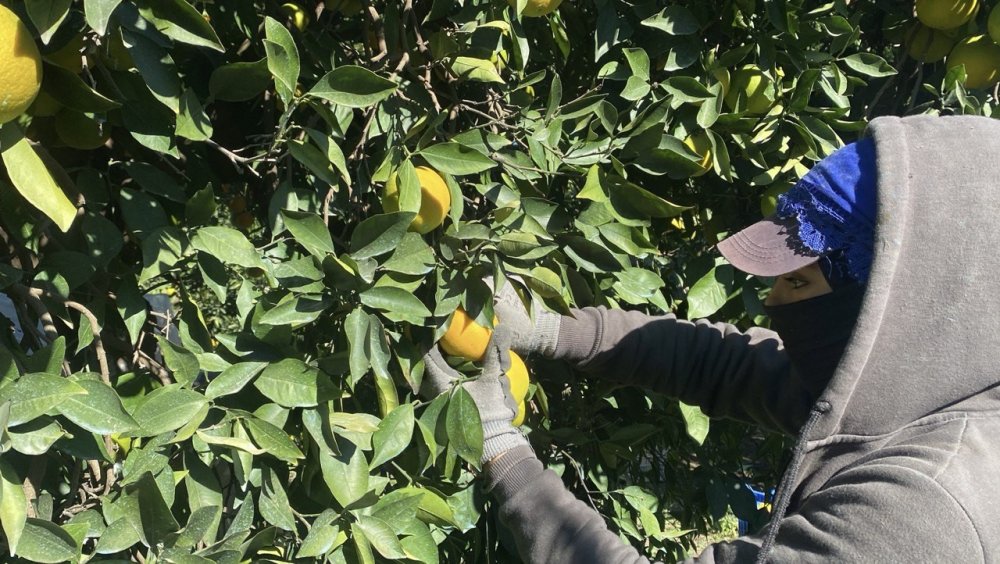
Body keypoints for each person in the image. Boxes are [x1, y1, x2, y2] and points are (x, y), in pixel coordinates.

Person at [420, 114, 1000, 562]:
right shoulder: (916, 387)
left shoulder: (920, 517)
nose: (771, 303)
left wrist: (501, 449)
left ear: (891, 308)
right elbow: (723, 363)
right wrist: (549, 328)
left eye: (798, 281)